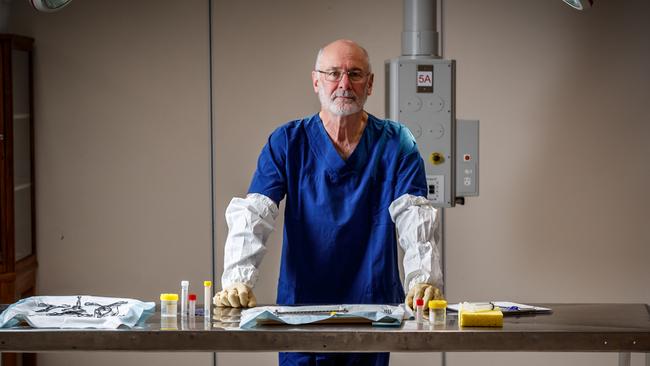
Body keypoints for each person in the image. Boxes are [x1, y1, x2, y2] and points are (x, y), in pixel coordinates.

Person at [214, 39, 444, 366]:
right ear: (316, 81)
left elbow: (415, 217)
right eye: (333, 73)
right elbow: (255, 213)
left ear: (370, 83)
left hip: (372, 306)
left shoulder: (396, 143)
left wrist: (424, 280)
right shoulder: (287, 142)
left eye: (354, 74)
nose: (344, 84)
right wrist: (237, 279)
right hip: (301, 308)